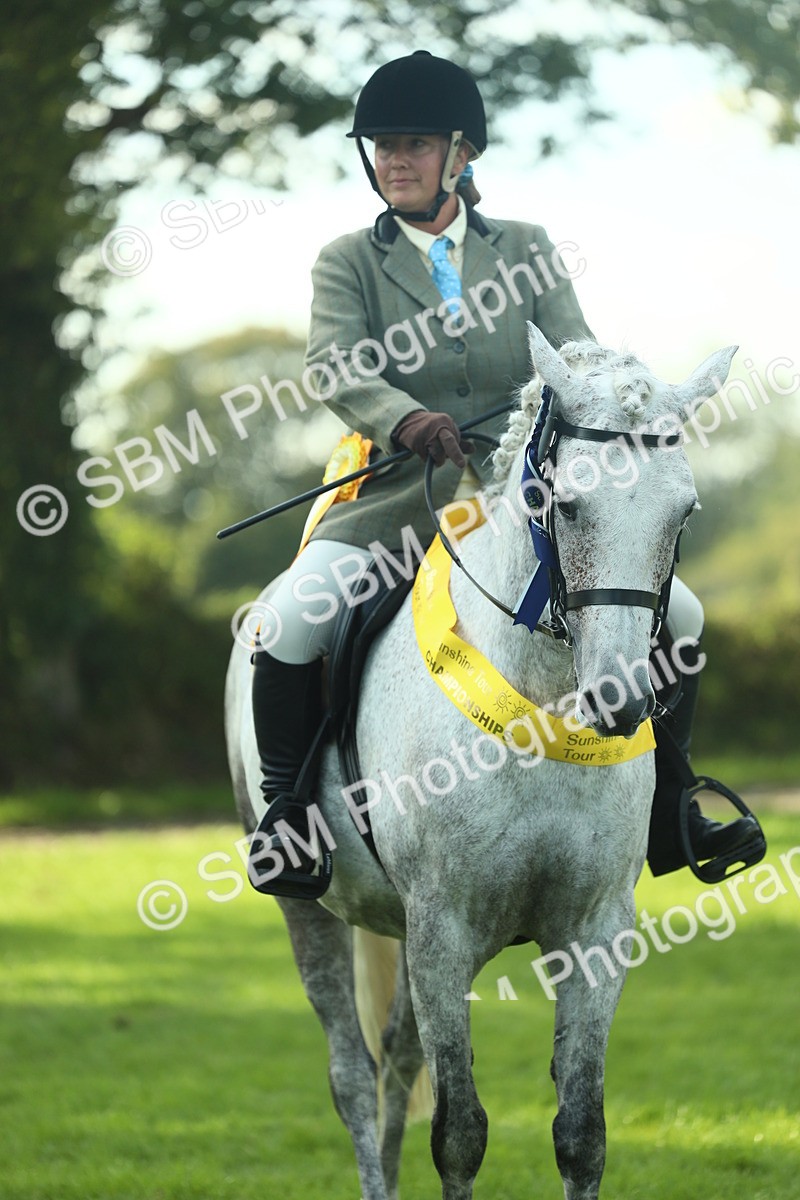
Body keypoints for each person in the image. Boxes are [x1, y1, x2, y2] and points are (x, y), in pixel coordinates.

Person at [249, 49, 760, 896]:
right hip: (393, 498)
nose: (393, 161)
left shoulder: (525, 248)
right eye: (380, 146)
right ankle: (287, 818)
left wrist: (618, 403)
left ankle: (674, 802)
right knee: (289, 619)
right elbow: (334, 365)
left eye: (412, 143)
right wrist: (404, 419)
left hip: (524, 501)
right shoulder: (346, 260)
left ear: (462, 153)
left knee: (685, 610)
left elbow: (578, 352)